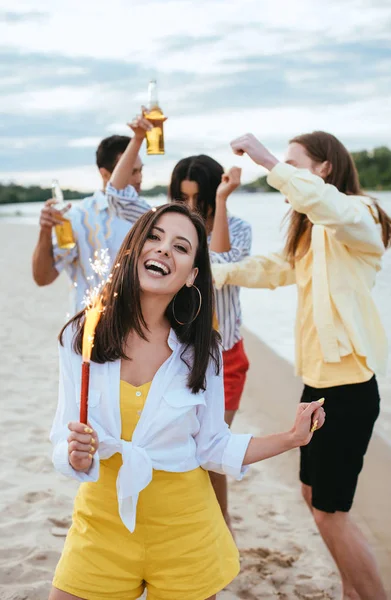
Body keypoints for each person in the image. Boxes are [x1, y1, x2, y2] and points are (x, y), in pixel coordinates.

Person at [49, 202, 325, 600]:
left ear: (192, 275)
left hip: (185, 534)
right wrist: (74, 456)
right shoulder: (81, 336)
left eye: (181, 247)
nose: (163, 250)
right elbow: (62, 436)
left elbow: (212, 446)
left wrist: (292, 438)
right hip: (101, 528)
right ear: (133, 249)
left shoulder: (201, 353)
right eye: (155, 238)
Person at [212, 131, 391, 600]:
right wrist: (218, 271)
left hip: (349, 390)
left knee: (329, 513)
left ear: (324, 169)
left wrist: (267, 159)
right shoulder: (312, 232)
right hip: (316, 386)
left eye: (296, 164)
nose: (286, 173)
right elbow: (275, 268)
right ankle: (351, 590)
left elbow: (326, 205)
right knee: (313, 498)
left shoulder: (360, 216)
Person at [106, 115, 252, 532]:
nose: (189, 208)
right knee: (174, 446)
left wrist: (221, 204)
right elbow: (116, 195)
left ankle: (218, 528)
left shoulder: (237, 226)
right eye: (180, 197)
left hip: (222, 353)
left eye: (198, 199)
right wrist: (137, 136)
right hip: (170, 350)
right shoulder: (162, 227)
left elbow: (221, 262)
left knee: (211, 449)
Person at [32, 135, 150, 313]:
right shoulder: (77, 217)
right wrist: (45, 231)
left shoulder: (147, 215)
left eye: (140, 170)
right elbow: (43, 277)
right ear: (105, 174)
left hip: (136, 327)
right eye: (132, 171)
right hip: (86, 328)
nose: (139, 178)